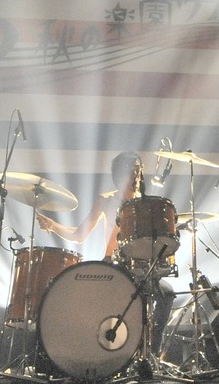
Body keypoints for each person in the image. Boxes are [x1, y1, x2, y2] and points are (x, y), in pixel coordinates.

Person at [36, 152, 176, 354]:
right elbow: (79, 235)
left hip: (141, 267)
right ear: (119, 176)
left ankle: (153, 353)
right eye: (132, 173)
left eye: (139, 173)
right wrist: (52, 225)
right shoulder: (105, 200)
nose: (137, 178)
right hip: (114, 265)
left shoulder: (145, 203)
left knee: (167, 293)